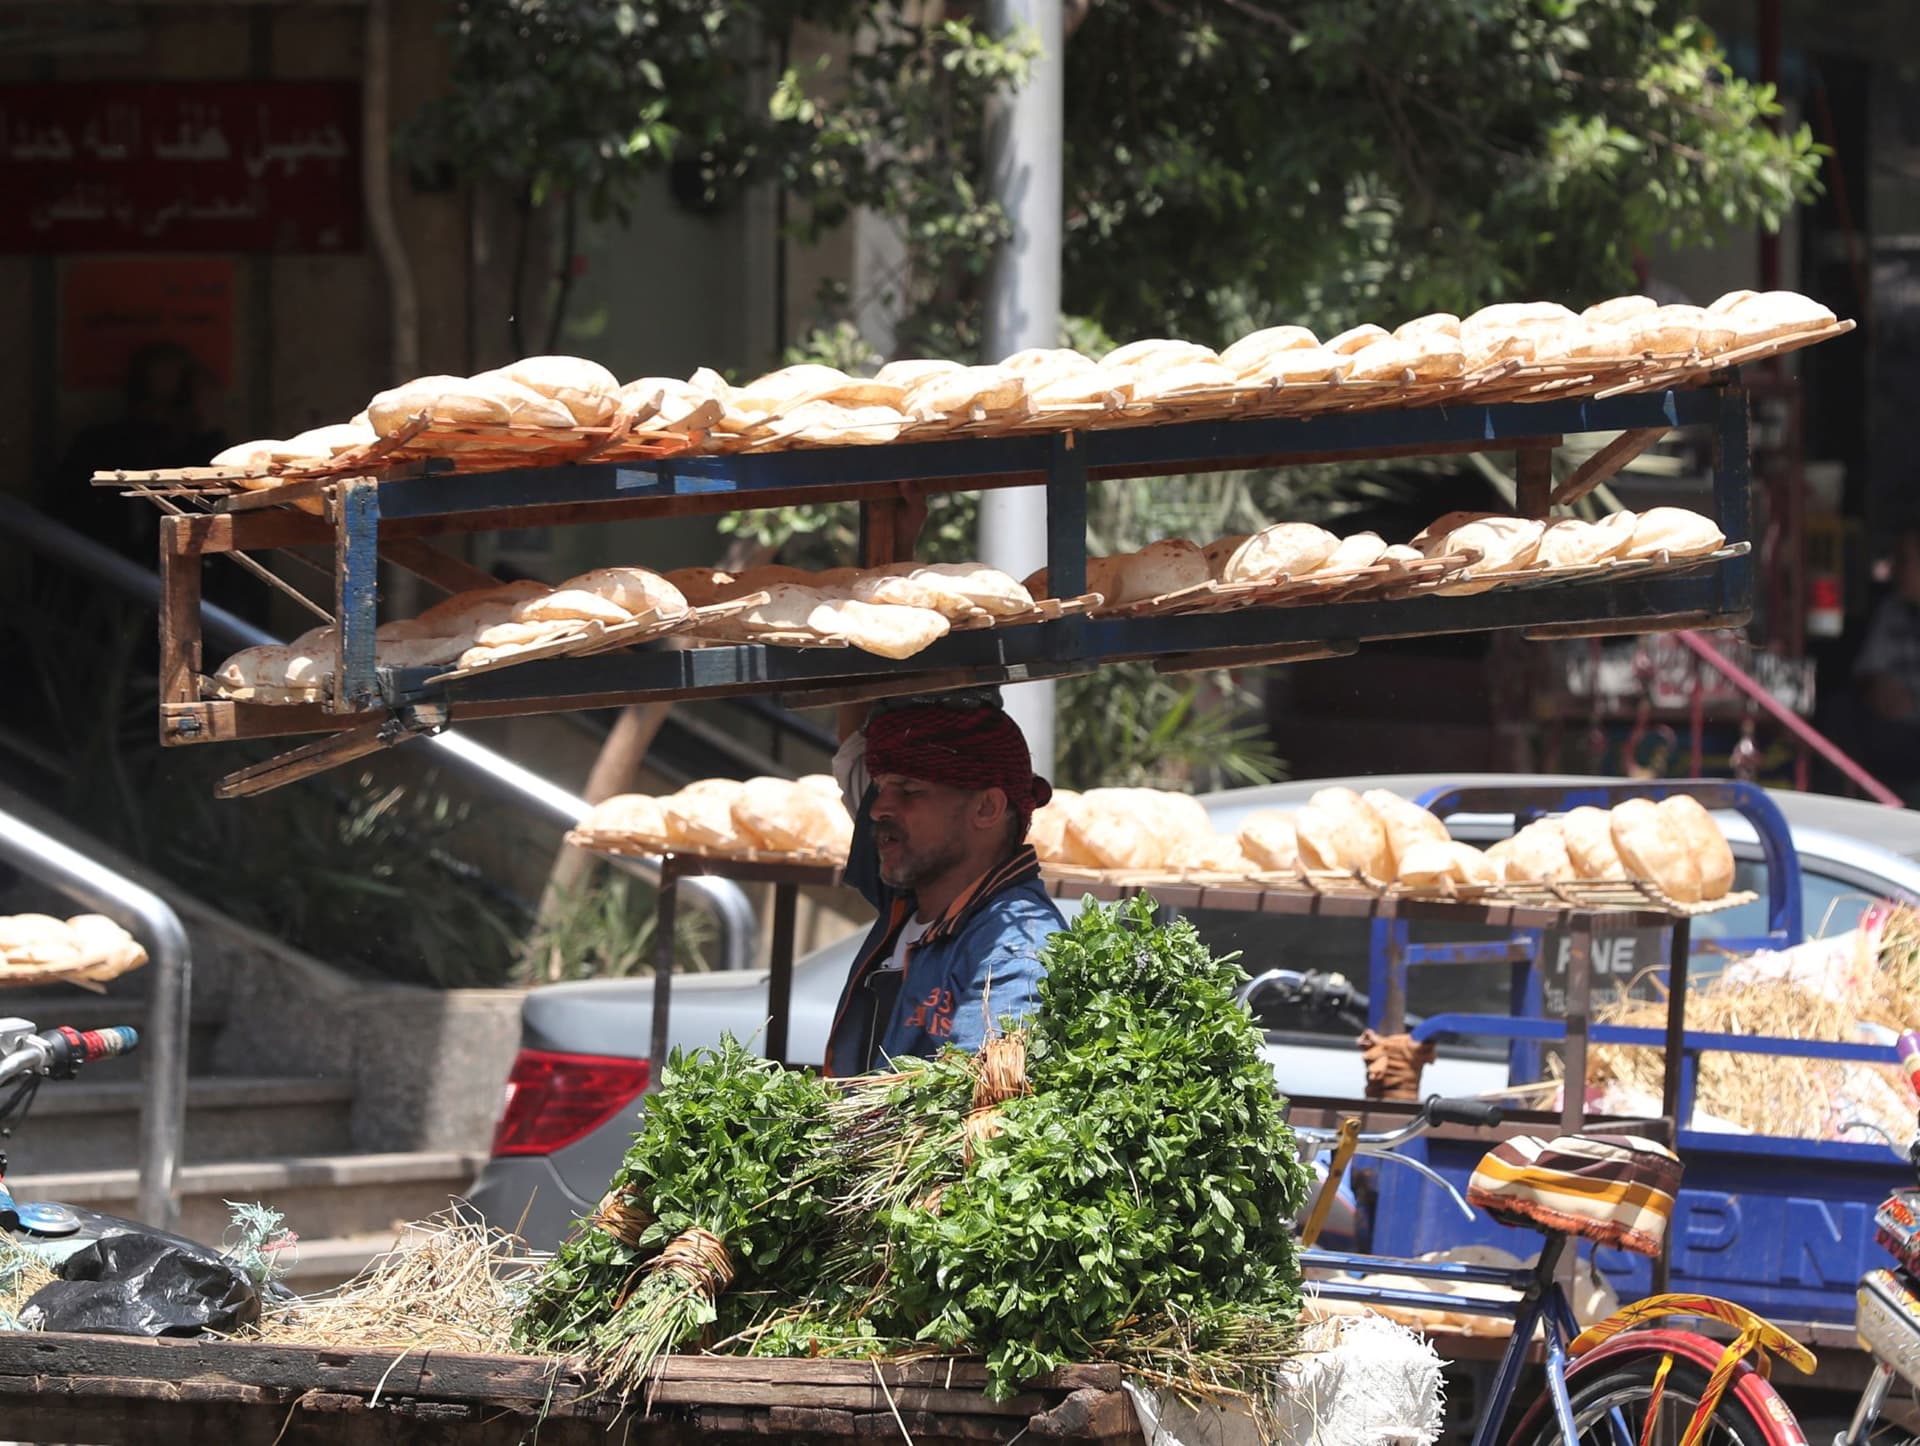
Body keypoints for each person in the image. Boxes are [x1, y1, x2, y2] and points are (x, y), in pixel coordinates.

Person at [823, 692, 1066, 1076]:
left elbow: (977, 1110)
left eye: (908, 789)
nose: (878, 808)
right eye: (881, 786)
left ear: (986, 808)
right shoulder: (910, 895)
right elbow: (853, 753)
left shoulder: (1013, 956)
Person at [1852, 526, 1920, 801]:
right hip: (1901, 737)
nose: (1895, 570)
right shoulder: (1893, 611)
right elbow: (1873, 681)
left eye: (1905, 560)